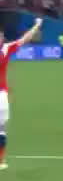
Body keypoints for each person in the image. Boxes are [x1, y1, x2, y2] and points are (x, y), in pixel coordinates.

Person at [0, 18, 43, 171]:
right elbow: (25, 39)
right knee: (1, 129)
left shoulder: (6, 48)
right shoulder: (5, 49)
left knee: (1, 129)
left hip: (1, 95)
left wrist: (36, 26)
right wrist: (37, 24)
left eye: (1, 36)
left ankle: (0, 161)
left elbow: (25, 39)